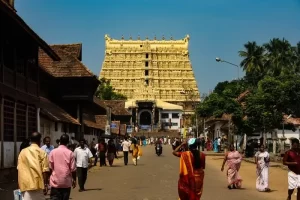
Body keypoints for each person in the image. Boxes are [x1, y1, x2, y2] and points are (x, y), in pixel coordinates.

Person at [18, 132, 49, 200]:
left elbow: (19, 168)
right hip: (38, 185)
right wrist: (46, 184)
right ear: (40, 141)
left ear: (31, 140)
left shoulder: (22, 152)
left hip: (25, 185)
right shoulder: (42, 152)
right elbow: (45, 170)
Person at [49, 134, 76, 200]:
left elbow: (50, 167)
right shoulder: (70, 153)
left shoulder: (53, 152)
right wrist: (74, 180)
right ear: (68, 142)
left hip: (55, 182)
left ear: (60, 141)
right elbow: (73, 169)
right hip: (66, 182)